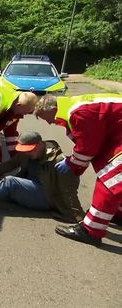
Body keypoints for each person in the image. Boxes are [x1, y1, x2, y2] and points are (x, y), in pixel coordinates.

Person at [34, 94, 122, 246]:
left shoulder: (80, 113)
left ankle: (90, 231)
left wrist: (72, 164)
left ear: (53, 109)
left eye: (45, 117)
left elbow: (87, 147)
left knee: (110, 182)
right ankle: (117, 213)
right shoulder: (74, 106)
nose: (48, 123)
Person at [0, 132, 84, 222]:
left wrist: (76, 215)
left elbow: (71, 187)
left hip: (47, 198)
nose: (27, 154)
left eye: (30, 151)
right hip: (30, 188)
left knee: (10, 182)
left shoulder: (58, 161)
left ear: (40, 145)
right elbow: (10, 165)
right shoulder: (26, 153)